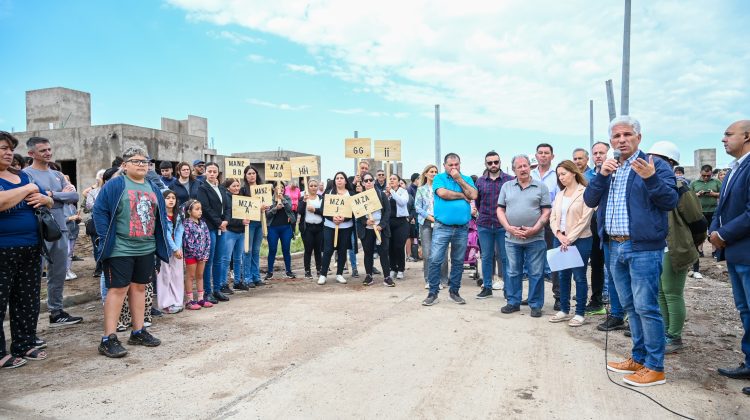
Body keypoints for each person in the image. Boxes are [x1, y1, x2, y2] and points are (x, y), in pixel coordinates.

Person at [583, 115, 678, 387]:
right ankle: (638, 358)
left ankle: (655, 367)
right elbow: (590, 199)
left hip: (643, 248)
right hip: (614, 245)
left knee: (647, 307)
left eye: (627, 135)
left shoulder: (655, 165)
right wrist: (601, 175)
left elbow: (670, 200)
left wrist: (650, 179)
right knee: (630, 306)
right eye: (616, 136)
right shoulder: (608, 167)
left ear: (639, 137)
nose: (621, 140)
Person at [93, 147, 168, 358]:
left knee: (140, 288)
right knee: (117, 290)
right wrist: (105, 237)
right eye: (136, 161)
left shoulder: (152, 186)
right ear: (124, 165)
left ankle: (138, 331)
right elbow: (99, 210)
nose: (142, 164)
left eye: (145, 161)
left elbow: (159, 217)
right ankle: (108, 338)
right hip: (120, 248)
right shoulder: (116, 185)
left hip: (146, 247)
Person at [647, 142, 706, 354]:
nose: (651, 161)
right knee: (661, 293)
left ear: (669, 162)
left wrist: (693, 242)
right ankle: (665, 332)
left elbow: (697, 220)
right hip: (657, 247)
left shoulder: (680, 186)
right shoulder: (649, 183)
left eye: (656, 158)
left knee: (672, 293)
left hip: (674, 246)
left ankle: (674, 336)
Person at [0, 131, 53, 368]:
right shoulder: (25, 182)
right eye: (3, 148)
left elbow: (49, 199)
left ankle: (24, 343)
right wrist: (28, 189)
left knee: (27, 300)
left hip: (31, 246)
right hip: (3, 249)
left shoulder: (20, 177)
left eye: (10, 148)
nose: (9, 152)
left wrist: (45, 200)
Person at [23, 136, 83, 327]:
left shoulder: (57, 174)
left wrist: (50, 195)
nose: (48, 153)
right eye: (43, 151)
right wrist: (59, 196)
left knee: (57, 273)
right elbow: (32, 198)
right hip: (38, 231)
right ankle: (27, 319)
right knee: (32, 277)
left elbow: (73, 195)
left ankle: (56, 312)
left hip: (61, 228)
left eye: (49, 149)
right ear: (31, 153)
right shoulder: (26, 175)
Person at [712, 120, 750, 395]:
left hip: (745, 251)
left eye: (728, 134)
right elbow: (722, 207)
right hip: (737, 254)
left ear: (747, 136)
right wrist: (714, 229)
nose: (724, 139)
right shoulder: (735, 169)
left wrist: (723, 234)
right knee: (745, 310)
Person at [496, 155, 551, 317]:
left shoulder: (541, 187)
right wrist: (508, 228)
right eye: (519, 166)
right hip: (512, 238)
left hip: (536, 238)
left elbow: (546, 211)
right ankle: (513, 302)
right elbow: (500, 209)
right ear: (514, 170)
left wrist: (534, 229)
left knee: (536, 272)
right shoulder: (506, 186)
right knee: (513, 272)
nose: (523, 169)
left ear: (530, 167)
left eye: (525, 165)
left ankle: (535, 305)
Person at [422, 153, 477, 306]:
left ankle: (454, 292)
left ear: (460, 164)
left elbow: (473, 194)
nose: (454, 168)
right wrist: (462, 195)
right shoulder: (439, 178)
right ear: (444, 165)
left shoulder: (466, 179)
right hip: (442, 227)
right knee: (435, 259)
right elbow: (443, 194)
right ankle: (433, 293)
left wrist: (459, 179)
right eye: (450, 165)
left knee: (458, 261)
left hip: (461, 228)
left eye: (456, 165)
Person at [548, 160, 594, 326]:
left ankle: (580, 312)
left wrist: (569, 238)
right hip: (560, 239)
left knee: (579, 276)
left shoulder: (585, 192)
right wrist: (559, 235)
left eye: (564, 174)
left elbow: (585, 219)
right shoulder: (560, 194)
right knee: (563, 275)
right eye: (559, 175)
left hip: (580, 240)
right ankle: (564, 309)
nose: (561, 178)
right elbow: (553, 217)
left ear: (573, 172)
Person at [475, 151, 515, 299]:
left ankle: (507, 288)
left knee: (504, 257)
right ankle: (487, 287)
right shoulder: (480, 181)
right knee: (486, 257)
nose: (493, 165)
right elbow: (478, 202)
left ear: (500, 162)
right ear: (486, 164)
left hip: (503, 225)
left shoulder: (509, 180)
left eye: (496, 162)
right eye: (490, 162)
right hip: (484, 224)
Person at [531, 143, 561, 310]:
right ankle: (533, 297)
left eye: (546, 153)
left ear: (552, 156)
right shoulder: (530, 174)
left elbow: (558, 199)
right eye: (540, 153)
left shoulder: (557, 175)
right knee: (534, 261)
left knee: (556, 261)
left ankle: (559, 297)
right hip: (532, 223)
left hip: (552, 223)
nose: (543, 155)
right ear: (536, 155)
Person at [584, 142, 612, 318]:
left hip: (611, 225)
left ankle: (619, 307)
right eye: (595, 153)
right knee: (596, 265)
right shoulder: (586, 175)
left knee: (613, 267)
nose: (598, 156)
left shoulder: (617, 172)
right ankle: (596, 301)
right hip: (593, 225)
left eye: (602, 152)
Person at [196, 162, 229, 303]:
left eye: (214, 171)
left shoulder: (221, 188)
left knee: (219, 260)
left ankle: (217, 290)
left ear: (218, 173)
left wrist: (226, 220)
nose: (212, 174)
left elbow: (227, 207)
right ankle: (207, 292)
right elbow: (206, 208)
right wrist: (219, 223)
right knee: (208, 260)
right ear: (205, 173)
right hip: (210, 227)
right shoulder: (202, 188)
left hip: (222, 227)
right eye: (209, 171)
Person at [355, 173, 395, 287]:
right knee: (368, 253)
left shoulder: (381, 195)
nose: (368, 182)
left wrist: (381, 225)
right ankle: (368, 276)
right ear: (362, 183)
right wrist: (365, 221)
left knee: (384, 253)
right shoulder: (359, 197)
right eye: (366, 181)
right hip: (367, 229)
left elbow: (387, 211)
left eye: (370, 180)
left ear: (374, 181)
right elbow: (357, 214)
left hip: (380, 229)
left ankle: (387, 277)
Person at [415, 164, 448, 289]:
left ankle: (443, 279)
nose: (433, 173)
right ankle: (429, 279)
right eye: (431, 171)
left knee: (443, 252)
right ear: (426, 174)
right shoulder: (421, 189)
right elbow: (417, 207)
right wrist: (429, 217)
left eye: (435, 171)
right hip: (426, 223)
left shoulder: (441, 189)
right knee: (428, 252)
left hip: (441, 222)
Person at [318, 172, 354, 285]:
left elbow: (354, 211)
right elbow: (323, 209)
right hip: (330, 225)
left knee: (342, 250)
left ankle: (339, 274)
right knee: (328, 250)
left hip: (346, 226)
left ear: (345, 181)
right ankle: (323, 274)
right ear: (334, 181)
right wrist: (332, 217)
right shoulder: (329, 193)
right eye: (337, 178)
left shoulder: (351, 194)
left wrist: (345, 218)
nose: (339, 180)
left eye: (341, 178)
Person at [689, 164, 722, 278]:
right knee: (700, 232)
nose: (706, 178)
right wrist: (697, 195)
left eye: (708, 176)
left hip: (713, 211)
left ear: (711, 173)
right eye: (704, 176)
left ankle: (714, 251)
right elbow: (688, 196)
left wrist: (714, 194)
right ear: (700, 173)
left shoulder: (717, 182)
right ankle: (700, 251)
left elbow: (723, 194)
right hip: (699, 212)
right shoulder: (694, 183)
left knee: (713, 231)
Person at [155, 190, 185, 313]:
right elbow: (165, 233)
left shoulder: (178, 214)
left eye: (173, 198)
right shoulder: (160, 214)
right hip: (164, 247)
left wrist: (178, 248)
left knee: (177, 274)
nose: (171, 200)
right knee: (165, 275)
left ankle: (178, 301)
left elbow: (179, 231)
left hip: (177, 248)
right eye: (168, 198)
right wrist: (174, 248)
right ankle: (165, 304)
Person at [218, 178, 250, 291]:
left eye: (238, 186)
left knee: (238, 259)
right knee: (226, 259)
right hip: (230, 232)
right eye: (234, 186)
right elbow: (227, 217)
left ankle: (237, 281)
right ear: (228, 187)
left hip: (241, 232)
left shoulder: (241, 198)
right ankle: (223, 284)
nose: (236, 188)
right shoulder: (225, 198)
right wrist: (240, 222)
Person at [181, 199, 213, 310]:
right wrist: (197, 253)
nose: (200, 211)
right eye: (197, 209)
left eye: (201, 209)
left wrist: (205, 252)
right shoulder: (186, 224)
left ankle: (200, 298)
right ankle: (189, 300)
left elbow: (208, 238)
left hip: (203, 255)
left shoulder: (203, 223)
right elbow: (187, 241)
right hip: (191, 255)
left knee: (200, 275)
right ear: (189, 211)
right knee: (190, 276)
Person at [239, 165, 267, 287]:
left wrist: (266, 207)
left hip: (260, 222)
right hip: (249, 224)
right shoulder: (243, 190)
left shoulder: (263, 189)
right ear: (245, 176)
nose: (251, 175)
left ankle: (256, 277)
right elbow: (241, 208)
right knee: (247, 250)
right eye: (249, 173)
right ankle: (247, 278)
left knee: (256, 251)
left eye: (253, 173)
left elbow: (267, 204)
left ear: (257, 175)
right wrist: (257, 208)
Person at [265, 180, 297, 279]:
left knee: (286, 249)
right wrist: (275, 208)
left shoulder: (287, 198)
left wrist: (282, 199)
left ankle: (288, 271)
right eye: (278, 187)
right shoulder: (268, 200)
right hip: (273, 228)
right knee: (272, 249)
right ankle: (269, 272)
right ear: (274, 189)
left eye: (282, 188)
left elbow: (290, 209)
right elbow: (267, 214)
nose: (281, 189)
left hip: (286, 228)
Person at [385, 174, 410, 280]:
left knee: (399, 246)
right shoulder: (385, 193)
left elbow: (402, 202)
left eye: (394, 179)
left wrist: (392, 192)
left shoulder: (403, 192)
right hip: (388, 222)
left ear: (399, 181)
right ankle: (392, 268)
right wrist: (386, 194)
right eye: (390, 179)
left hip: (401, 222)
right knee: (390, 247)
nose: (392, 180)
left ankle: (400, 269)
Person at [298, 178, 324, 278]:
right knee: (308, 249)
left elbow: (324, 211)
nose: (313, 188)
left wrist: (315, 210)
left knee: (318, 250)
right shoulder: (304, 198)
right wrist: (304, 201)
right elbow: (299, 211)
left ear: (318, 187)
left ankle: (319, 269)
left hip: (319, 227)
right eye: (311, 186)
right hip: (307, 228)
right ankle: (307, 271)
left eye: (315, 186)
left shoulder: (321, 198)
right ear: (308, 187)